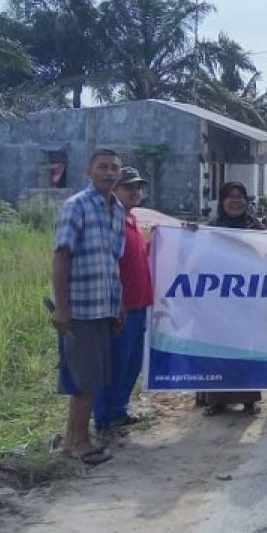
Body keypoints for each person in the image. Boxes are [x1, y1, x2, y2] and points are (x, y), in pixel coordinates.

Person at [50, 148, 126, 465]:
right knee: (82, 379)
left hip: (104, 306)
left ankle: (78, 437)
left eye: (114, 168)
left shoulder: (117, 209)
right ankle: (75, 442)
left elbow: (114, 261)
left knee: (93, 376)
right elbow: (61, 256)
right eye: (102, 167)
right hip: (80, 308)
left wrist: (119, 301)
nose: (109, 173)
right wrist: (62, 307)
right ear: (88, 171)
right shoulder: (76, 206)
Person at [92, 167, 153, 434]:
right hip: (121, 306)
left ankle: (119, 409)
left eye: (138, 187)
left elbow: (141, 256)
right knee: (115, 363)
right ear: (115, 190)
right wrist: (116, 301)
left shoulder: (132, 221)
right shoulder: (110, 221)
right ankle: (104, 417)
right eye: (128, 187)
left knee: (132, 362)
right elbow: (106, 263)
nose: (135, 192)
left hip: (140, 303)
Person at [198, 181, 265, 416]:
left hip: (246, 299)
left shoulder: (256, 229)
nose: (235, 201)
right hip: (218, 299)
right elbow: (199, 260)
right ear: (222, 201)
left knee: (246, 350)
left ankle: (249, 400)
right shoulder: (211, 229)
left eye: (240, 196)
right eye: (230, 196)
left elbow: (266, 257)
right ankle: (215, 400)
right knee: (218, 350)